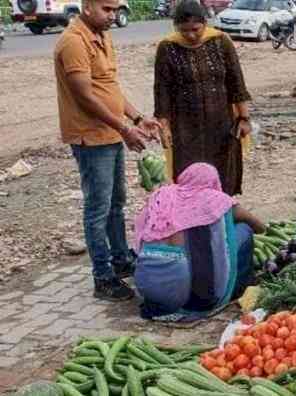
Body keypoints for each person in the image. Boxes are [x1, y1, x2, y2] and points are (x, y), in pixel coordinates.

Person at [54, 0, 161, 301]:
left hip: (110, 132)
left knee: (117, 202)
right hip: (91, 137)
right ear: (87, 7)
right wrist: (125, 128)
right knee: (98, 207)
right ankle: (102, 278)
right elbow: (86, 97)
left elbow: (109, 88)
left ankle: (120, 259)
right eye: (106, 9)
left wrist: (137, 118)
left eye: (115, 9)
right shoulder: (74, 42)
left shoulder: (102, 35)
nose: (113, 15)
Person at [133, 163, 266, 322]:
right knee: (244, 230)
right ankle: (240, 287)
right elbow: (260, 227)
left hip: (149, 286)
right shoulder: (218, 201)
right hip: (195, 296)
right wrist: (228, 223)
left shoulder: (161, 196)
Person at [154, 0, 252, 197]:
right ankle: (194, 225)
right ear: (176, 28)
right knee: (189, 182)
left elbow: (236, 84)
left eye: (196, 29)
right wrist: (163, 127)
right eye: (184, 31)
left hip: (222, 125)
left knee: (223, 179)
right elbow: (161, 92)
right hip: (185, 129)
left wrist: (244, 118)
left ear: (205, 23)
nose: (190, 35)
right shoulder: (167, 48)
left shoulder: (221, 41)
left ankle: (224, 224)